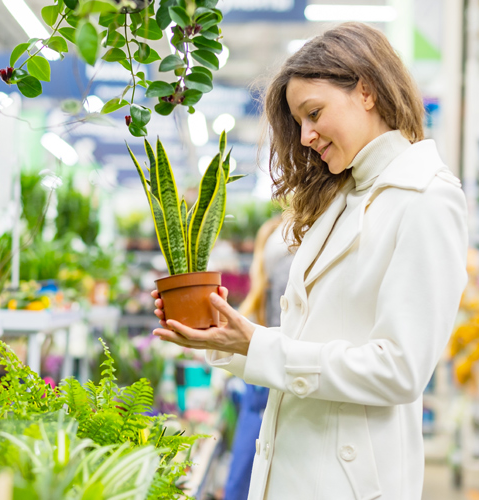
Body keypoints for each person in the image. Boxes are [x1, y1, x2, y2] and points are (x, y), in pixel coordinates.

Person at [152, 22, 468, 500]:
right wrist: (226, 340)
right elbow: (312, 343)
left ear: (366, 90)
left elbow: (400, 370)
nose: (305, 136)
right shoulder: (343, 199)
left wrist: (259, 346)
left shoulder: (426, 197)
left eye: (314, 113)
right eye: (299, 121)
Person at [224, 215, 293, 500]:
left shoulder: (276, 275)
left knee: (245, 479)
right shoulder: (285, 270)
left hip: (266, 392)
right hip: (269, 389)